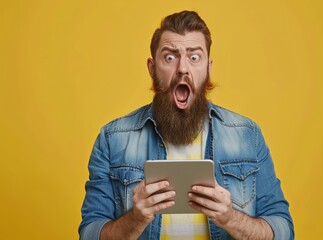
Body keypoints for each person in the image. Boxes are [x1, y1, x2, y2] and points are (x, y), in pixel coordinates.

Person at [79, 10, 294, 240]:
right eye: (170, 57)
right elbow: (89, 233)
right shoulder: (113, 139)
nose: (182, 68)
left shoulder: (247, 135)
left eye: (194, 57)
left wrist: (230, 217)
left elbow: (283, 230)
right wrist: (135, 218)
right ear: (152, 69)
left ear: (208, 68)